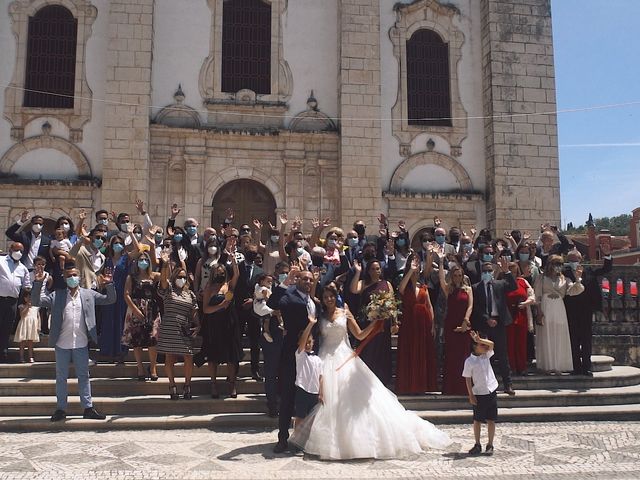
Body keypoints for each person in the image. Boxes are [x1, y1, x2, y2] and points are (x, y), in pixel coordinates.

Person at [289, 286, 451, 459]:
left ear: (336, 297)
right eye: (326, 297)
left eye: (331, 296)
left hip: (345, 357)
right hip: (325, 359)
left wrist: (375, 323)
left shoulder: (345, 313)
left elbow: (359, 335)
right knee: (328, 401)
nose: (328, 299)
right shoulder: (320, 317)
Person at [31, 264, 114, 422]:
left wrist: (109, 284)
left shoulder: (89, 294)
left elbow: (110, 299)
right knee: (61, 377)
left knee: (84, 376)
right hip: (62, 343)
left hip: (81, 343)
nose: (72, 278)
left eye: (75, 275)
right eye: (69, 276)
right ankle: (61, 409)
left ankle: (88, 408)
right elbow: (36, 301)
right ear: (64, 278)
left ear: (80, 277)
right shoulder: (57, 295)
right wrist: (38, 282)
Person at [266, 269, 317, 453]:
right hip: (292, 354)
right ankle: (282, 438)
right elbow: (272, 303)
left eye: (311, 279)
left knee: (309, 396)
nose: (308, 282)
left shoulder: (313, 301)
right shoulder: (289, 295)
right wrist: (284, 282)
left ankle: (305, 439)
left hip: (310, 356)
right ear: (297, 280)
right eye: (304, 279)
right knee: (287, 396)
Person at [197, 257, 243, 399]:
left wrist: (233, 261)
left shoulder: (228, 285)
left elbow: (237, 275)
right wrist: (220, 306)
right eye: (217, 272)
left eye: (222, 271)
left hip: (229, 323)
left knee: (231, 356)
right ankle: (214, 383)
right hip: (214, 324)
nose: (220, 274)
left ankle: (232, 382)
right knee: (213, 356)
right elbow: (205, 309)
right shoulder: (208, 289)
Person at [470, 258, 517, 395]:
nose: (487, 273)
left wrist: (506, 271)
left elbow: (513, 287)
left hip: (499, 323)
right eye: (485, 271)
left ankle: (508, 384)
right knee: (483, 355)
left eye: (490, 271)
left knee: (502, 354)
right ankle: (485, 384)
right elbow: (476, 308)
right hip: (484, 324)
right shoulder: (475, 287)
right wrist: (487, 319)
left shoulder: (499, 284)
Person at [563, 248, 612, 376]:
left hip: (586, 311)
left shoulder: (589, 271)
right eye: (571, 260)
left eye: (576, 259)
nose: (573, 262)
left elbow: (606, 269)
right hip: (570, 311)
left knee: (586, 340)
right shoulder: (564, 273)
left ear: (581, 260)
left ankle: (586, 367)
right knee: (573, 340)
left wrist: (607, 255)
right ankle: (576, 367)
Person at [157, 252, 200, 400]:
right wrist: (164, 264)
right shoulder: (168, 289)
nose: (182, 279)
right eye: (179, 276)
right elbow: (162, 281)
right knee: (170, 357)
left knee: (188, 356)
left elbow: (194, 311)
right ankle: (172, 385)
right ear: (174, 278)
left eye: (184, 277)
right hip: (169, 327)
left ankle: (187, 385)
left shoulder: (190, 294)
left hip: (184, 327)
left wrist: (198, 325)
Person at [534, 255, 584, 373]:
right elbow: (537, 295)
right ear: (550, 264)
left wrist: (578, 279)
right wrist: (539, 311)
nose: (558, 267)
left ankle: (558, 366)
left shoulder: (565, 279)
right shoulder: (541, 278)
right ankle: (547, 365)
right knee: (546, 335)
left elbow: (574, 290)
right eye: (556, 264)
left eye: (560, 264)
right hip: (546, 307)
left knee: (559, 334)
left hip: (559, 307)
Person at [396, 255, 437, 394]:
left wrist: (432, 324)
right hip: (409, 322)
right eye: (414, 265)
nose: (416, 268)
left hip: (423, 323)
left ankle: (422, 385)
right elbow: (401, 289)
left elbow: (429, 306)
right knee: (409, 351)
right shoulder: (405, 285)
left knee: (422, 352)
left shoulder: (424, 286)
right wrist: (409, 271)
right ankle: (408, 385)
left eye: (418, 266)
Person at [350, 259, 394, 386]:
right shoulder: (364, 283)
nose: (376, 271)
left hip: (383, 325)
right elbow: (353, 289)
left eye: (378, 269)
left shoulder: (387, 284)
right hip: (367, 325)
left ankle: (383, 381)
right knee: (368, 352)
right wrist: (358, 272)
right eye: (373, 269)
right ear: (368, 271)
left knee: (382, 353)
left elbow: (392, 303)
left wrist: (394, 322)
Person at [122, 249, 160, 381]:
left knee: (153, 338)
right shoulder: (131, 277)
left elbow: (167, 278)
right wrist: (135, 310)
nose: (143, 262)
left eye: (145, 260)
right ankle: (140, 368)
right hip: (136, 308)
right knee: (137, 340)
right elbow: (126, 294)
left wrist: (165, 263)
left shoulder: (154, 276)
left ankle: (153, 367)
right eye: (140, 260)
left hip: (152, 309)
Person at [439, 255, 474, 395]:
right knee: (452, 356)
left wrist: (466, 321)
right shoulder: (449, 289)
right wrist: (441, 262)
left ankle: (464, 387)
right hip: (451, 325)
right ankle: (451, 387)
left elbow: (470, 306)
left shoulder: (468, 289)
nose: (458, 277)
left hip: (464, 325)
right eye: (455, 275)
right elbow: (441, 279)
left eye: (460, 275)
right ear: (452, 276)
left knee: (464, 356)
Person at [463, 331, 498, 456]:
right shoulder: (469, 361)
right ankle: (477, 444)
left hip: (491, 390)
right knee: (477, 419)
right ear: (474, 346)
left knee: (491, 419)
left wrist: (480, 340)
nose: (485, 347)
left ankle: (490, 444)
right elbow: (467, 378)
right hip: (479, 392)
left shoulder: (486, 355)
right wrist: (471, 395)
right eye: (481, 345)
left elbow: (492, 344)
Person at [98, 235, 129, 363]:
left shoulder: (126, 259)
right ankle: (107, 351)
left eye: (120, 243)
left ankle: (120, 351)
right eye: (115, 243)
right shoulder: (107, 260)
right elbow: (100, 274)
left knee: (120, 322)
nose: (117, 245)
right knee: (108, 321)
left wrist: (131, 233)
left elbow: (138, 251)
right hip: (109, 293)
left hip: (122, 294)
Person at [0, 242, 31, 362]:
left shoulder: (23, 268)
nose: (19, 253)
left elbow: (26, 286)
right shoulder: (1, 261)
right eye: (17, 250)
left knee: (7, 327)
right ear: (11, 249)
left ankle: (3, 352)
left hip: (13, 302)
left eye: (21, 251)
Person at [504, 262, 536, 375]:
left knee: (521, 343)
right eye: (510, 272)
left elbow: (532, 296)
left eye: (514, 272)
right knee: (510, 343)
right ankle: (512, 367)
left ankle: (522, 368)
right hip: (508, 316)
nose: (513, 274)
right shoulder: (504, 283)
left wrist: (525, 303)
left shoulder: (523, 281)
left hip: (521, 315)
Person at [293, 315, 323, 432]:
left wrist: (321, 393)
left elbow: (321, 377)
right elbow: (303, 341)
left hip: (314, 392)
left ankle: (306, 441)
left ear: (313, 342)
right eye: (305, 342)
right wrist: (310, 324)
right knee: (300, 417)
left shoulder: (318, 359)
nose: (307, 344)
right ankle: (296, 440)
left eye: (310, 342)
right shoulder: (300, 355)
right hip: (302, 389)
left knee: (311, 418)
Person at [14, 290, 40, 363]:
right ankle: (21, 357)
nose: (29, 299)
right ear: (24, 298)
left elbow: (38, 317)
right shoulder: (21, 306)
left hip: (32, 326)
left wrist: (39, 326)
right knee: (22, 342)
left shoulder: (36, 307)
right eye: (27, 297)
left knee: (30, 342)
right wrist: (27, 307)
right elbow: (22, 315)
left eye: (30, 297)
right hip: (24, 325)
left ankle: (31, 356)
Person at [253, 273, 275, 342]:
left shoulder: (257, 286)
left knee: (266, 318)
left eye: (271, 281)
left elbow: (254, 295)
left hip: (257, 305)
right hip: (263, 305)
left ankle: (266, 331)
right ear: (262, 281)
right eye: (268, 281)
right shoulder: (264, 289)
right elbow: (267, 298)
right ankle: (281, 323)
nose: (270, 283)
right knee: (274, 313)